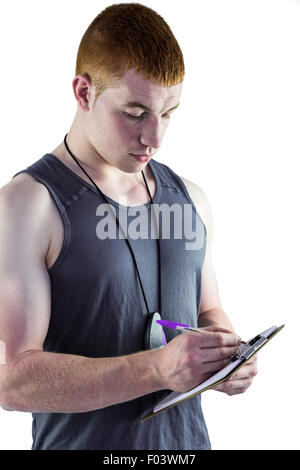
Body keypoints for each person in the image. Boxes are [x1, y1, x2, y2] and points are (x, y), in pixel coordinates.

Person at [0, 3, 257, 450]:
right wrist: (156, 369)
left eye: (168, 113)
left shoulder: (191, 198)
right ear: (84, 92)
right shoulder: (27, 206)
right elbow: (12, 380)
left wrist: (224, 356)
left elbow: (209, 313)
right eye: (135, 113)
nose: (154, 138)